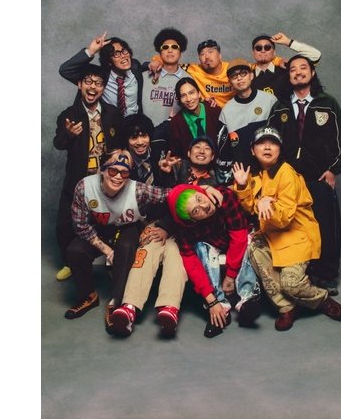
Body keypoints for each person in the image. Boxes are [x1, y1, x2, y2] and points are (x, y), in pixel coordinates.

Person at [232, 127, 341, 331]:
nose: (267, 147)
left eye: (273, 143)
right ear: (252, 150)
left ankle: (322, 299)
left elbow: (283, 218)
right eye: (261, 143)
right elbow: (250, 207)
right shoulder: (257, 176)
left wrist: (266, 204)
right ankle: (287, 307)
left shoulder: (286, 173)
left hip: (296, 237)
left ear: (279, 149)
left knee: (291, 284)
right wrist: (242, 186)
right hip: (272, 237)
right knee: (254, 246)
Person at [267, 55, 341, 294]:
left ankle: (326, 275)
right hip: (289, 178)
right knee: (294, 226)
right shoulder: (280, 106)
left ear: (312, 73)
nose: (298, 72)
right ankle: (301, 273)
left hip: (319, 176)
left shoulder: (328, 103)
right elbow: (271, 141)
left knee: (325, 225)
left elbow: (339, 141)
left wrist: (333, 169)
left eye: (303, 68)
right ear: (288, 76)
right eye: (293, 69)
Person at [63, 150, 170, 325]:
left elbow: (168, 195)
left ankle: (117, 302)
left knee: (126, 248)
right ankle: (88, 296)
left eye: (124, 173)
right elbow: (81, 226)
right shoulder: (85, 187)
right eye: (113, 171)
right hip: (99, 229)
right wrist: (107, 251)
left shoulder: (137, 189)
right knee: (75, 250)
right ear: (102, 170)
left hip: (127, 227)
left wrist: (204, 190)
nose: (118, 177)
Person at [108, 116, 189, 337]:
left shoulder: (163, 157)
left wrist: (165, 174)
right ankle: (129, 307)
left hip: (173, 224)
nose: (140, 142)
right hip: (143, 224)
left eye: (143, 136)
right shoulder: (120, 164)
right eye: (133, 137)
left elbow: (178, 197)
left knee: (176, 254)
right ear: (126, 141)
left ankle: (169, 308)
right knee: (145, 252)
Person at [53, 63, 123, 282]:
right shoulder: (69, 114)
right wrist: (69, 134)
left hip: (105, 181)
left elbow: (121, 143)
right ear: (79, 85)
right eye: (89, 82)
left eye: (99, 83)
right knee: (64, 225)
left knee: (109, 220)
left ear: (103, 88)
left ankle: (111, 259)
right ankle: (69, 262)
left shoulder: (112, 113)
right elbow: (58, 143)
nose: (93, 87)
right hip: (78, 180)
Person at [166, 184, 262, 338]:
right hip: (212, 245)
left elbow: (239, 237)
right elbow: (191, 262)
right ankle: (221, 307)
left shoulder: (224, 196)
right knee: (200, 247)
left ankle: (247, 300)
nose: (204, 206)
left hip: (236, 240)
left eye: (199, 198)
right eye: (196, 211)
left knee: (248, 240)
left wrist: (230, 276)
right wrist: (211, 300)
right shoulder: (184, 227)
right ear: (191, 220)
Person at [216, 58, 279, 183]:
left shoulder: (270, 100)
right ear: (230, 82)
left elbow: (282, 135)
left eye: (243, 73)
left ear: (251, 75)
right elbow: (224, 150)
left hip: (272, 171)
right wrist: (227, 180)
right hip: (243, 175)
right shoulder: (226, 111)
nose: (239, 78)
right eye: (234, 76)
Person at [59, 32, 146, 117]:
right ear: (109, 61)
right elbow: (65, 70)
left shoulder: (135, 67)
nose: (123, 56)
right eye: (116, 54)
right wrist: (91, 51)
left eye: (124, 51)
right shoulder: (99, 76)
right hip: (110, 123)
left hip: (135, 122)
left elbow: (145, 66)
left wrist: (153, 64)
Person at [140, 28, 189, 141]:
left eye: (174, 47)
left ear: (180, 52)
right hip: (145, 138)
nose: (170, 50)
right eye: (165, 47)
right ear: (160, 53)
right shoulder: (143, 76)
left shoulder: (188, 80)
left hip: (175, 138)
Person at [250, 32, 322, 100]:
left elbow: (315, 55)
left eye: (267, 47)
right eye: (258, 48)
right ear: (253, 53)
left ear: (274, 52)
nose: (263, 51)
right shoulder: (248, 76)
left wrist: (288, 42)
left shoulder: (288, 69)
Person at [167, 77, 222, 158]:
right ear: (179, 100)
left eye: (191, 93)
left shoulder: (215, 111)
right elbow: (176, 155)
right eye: (183, 96)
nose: (188, 99)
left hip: (216, 163)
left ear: (199, 93)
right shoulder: (176, 123)